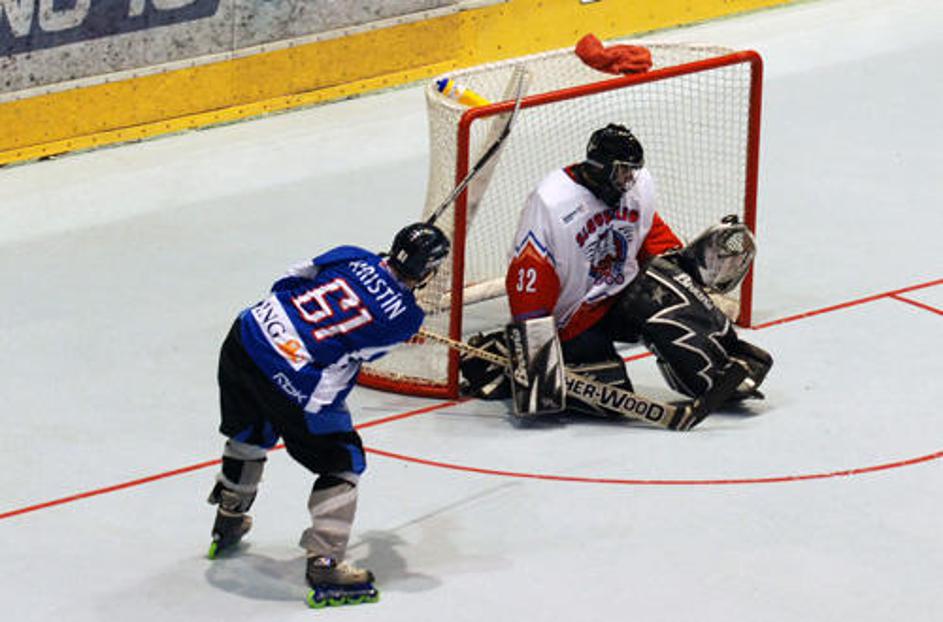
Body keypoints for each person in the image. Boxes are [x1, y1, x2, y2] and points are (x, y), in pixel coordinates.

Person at [207, 222, 450, 607]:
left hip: (247, 333)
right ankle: (325, 562)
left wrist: (290, 329)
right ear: (429, 272)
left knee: (251, 430)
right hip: (293, 374)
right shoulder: (406, 319)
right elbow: (356, 356)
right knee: (343, 462)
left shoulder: (351, 255)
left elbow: (289, 280)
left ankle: (229, 516)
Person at [463, 123, 771, 416]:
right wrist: (535, 356)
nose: (629, 180)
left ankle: (717, 372)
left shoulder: (635, 187)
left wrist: (684, 271)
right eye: (622, 171)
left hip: (619, 296)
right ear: (600, 168)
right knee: (612, 396)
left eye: (632, 171)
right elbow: (528, 280)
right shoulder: (551, 203)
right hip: (572, 321)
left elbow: (648, 233)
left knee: (670, 291)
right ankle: (501, 356)